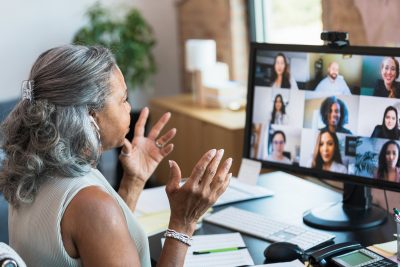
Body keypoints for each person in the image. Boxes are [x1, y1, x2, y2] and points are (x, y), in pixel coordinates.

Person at [0, 45, 233, 267]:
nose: (128, 107)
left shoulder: (33, 174)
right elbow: (97, 219)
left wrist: (134, 181)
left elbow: (99, 239)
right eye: (122, 99)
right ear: (91, 116)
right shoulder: (89, 203)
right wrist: (183, 223)